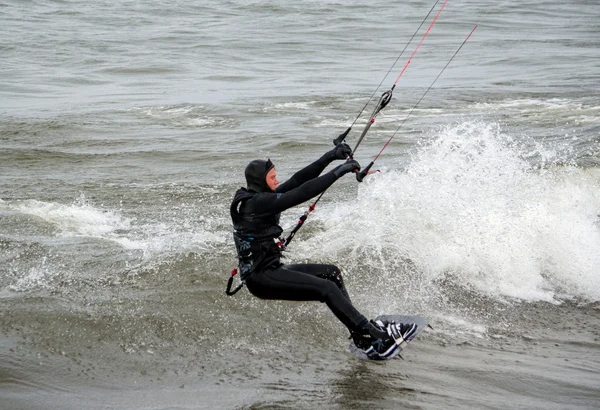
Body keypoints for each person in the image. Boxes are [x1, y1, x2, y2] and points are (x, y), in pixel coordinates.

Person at [229, 141, 417, 360]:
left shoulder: (261, 199)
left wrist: (330, 156)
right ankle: (377, 338)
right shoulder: (257, 203)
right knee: (326, 288)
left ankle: (360, 335)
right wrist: (337, 172)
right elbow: (300, 193)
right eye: (272, 178)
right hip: (261, 278)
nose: (277, 181)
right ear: (260, 181)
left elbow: (298, 180)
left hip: (271, 270)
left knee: (331, 273)